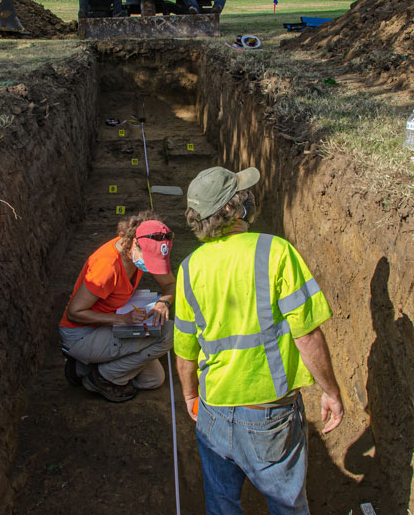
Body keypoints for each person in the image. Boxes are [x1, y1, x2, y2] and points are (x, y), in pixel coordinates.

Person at [174, 166, 343, 515]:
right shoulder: (276, 252)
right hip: (269, 414)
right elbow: (307, 335)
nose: (249, 198)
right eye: (243, 195)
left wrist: (192, 396)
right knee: (287, 506)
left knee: (221, 506)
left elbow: (185, 350)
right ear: (230, 210)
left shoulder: (189, 268)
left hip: (214, 410)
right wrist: (331, 391)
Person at [59, 212, 175, 403]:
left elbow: (169, 285)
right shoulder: (107, 267)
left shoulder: (145, 246)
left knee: (153, 380)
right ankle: (101, 378)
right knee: (169, 331)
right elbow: (74, 313)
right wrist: (122, 320)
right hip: (81, 334)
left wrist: (164, 303)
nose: (151, 266)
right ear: (134, 244)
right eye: (149, 260)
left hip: (108, 325)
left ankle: (83, 368)